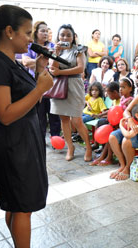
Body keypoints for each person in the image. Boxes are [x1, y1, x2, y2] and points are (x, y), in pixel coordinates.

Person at [0, 5, 54, 247]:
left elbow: (26, 101)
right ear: (9, 31)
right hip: (13, 146)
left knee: (18, 205)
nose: (31, 39)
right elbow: (6, 114)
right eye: (28, 33)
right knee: (21, 207)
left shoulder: (11, 61)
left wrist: (39, 74)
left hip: (25, 140)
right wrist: (40, 89)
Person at [49, 24, 92, 162]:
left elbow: (80, 69)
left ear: (73, 37)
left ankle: (88, 147)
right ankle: (70, 147)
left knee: (77, 120)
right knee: (64, 120)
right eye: (62, 35)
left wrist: (61, 72)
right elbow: (52, 68)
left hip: (74, 86)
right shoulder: (56, 50)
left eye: (68, 35)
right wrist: (55, 53)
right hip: (59, 87)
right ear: (58, 36)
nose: (65, 37)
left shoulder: (79, 50)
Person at [21, 21, 61, 139]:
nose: (45, 33)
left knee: (53, 113)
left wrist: (41, 62)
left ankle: (55, 138)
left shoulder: (52, 46)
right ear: (36, 32)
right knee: (40, 114)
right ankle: (40, 138)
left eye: (46, 31)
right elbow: (25, 62)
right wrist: (42, 61)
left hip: (51, 84)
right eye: (42, 31)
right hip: (35, 83)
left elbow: (55, 64)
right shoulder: (30, 46)